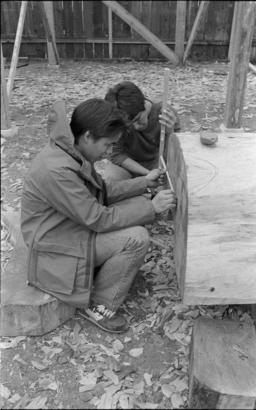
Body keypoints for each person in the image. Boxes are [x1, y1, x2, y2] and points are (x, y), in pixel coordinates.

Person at [20, 98, 176, 334]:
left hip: (67, 230)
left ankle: (99, 275)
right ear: (88, 136)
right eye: (106, 144)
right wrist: (150, 209)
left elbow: (102, 191)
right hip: (53, 247)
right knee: (137, 238)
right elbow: (98, 218)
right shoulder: (58, 170)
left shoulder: (71, 152)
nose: (108, 152)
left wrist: (144, 183)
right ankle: (99, 306)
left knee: (137, 206)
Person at [103, 81, 181, 182]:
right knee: (111, 180)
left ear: (144, 104)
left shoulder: (165, 113)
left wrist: (170, 132)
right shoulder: (119, 118)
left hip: (156, 162)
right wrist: (147, 174)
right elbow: (116, 154)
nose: (135, 127)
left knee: (170, 183)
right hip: (127, 164)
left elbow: (177, 150)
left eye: (137, 119)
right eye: (130, 124)